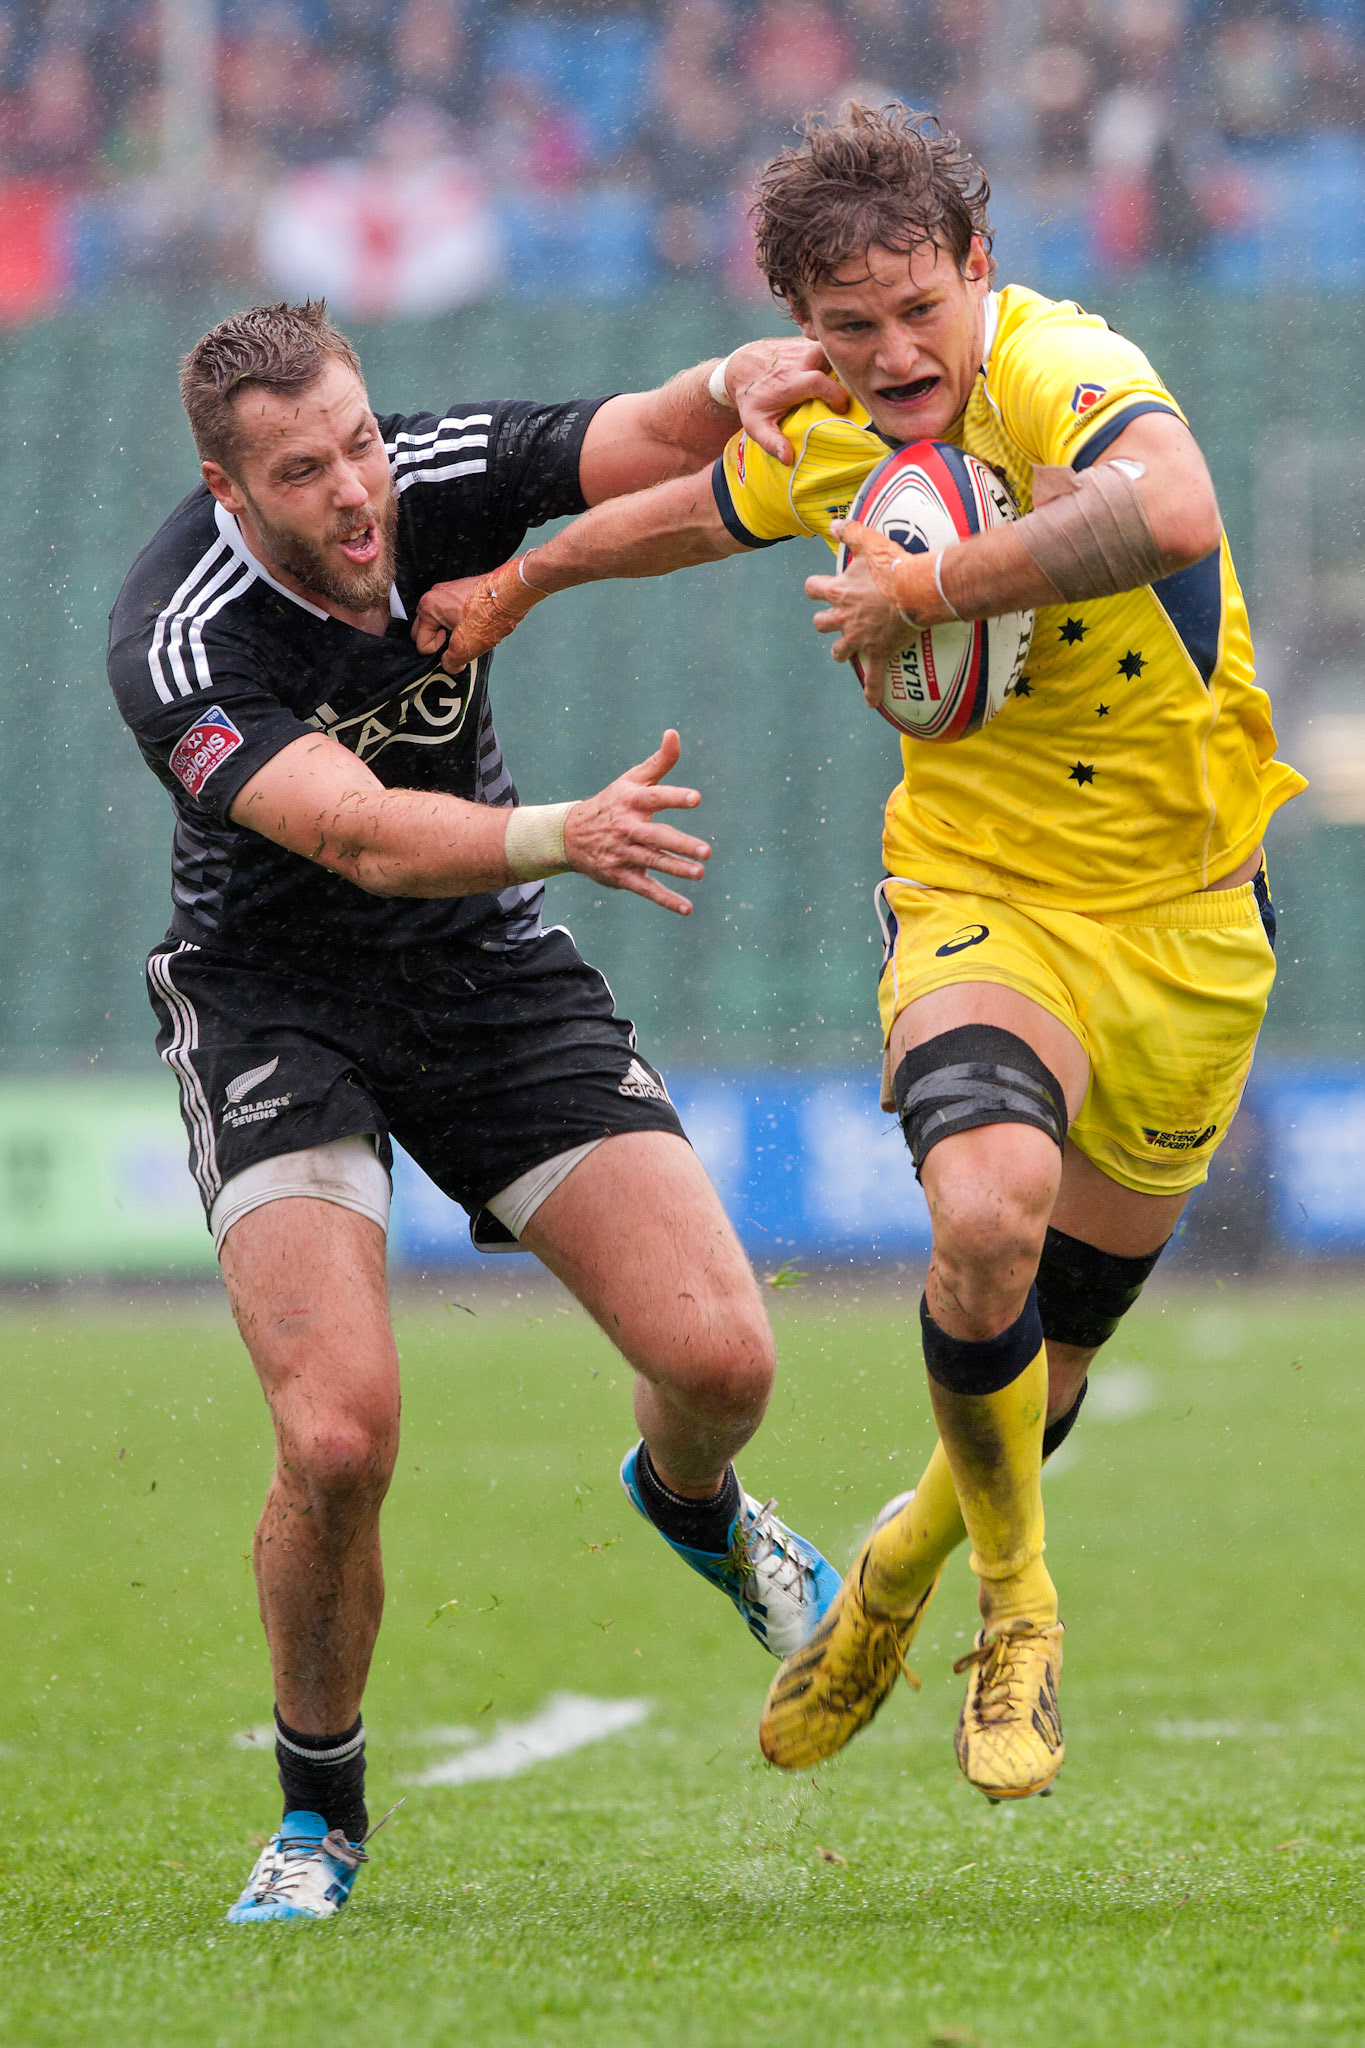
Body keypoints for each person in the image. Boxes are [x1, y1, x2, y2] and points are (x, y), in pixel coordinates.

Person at [411, 104, 1304, 1805]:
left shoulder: (1062, 366)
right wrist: (526, 576)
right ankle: (1016, 1608)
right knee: (982, 1220)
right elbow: (701, 505)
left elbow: (1172, 503)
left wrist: (941, 584)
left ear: (979, 268)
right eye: (847, 329)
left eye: (918, 309)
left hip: (1190, 920)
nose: (891, 355)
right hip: (981, 890)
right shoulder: (837, 422)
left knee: (1049, 1366)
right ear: (802, 329)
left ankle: (895, 1567)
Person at [106, 300, 851, 1921]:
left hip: (478, 974)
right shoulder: (181, 638)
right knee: (336, 1436)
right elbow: (363, 833)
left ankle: (691, 1507)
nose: (359, 494)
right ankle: (320, 1819)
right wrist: (563, 832)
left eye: (361, 443)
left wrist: (740, 380)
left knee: (722, 1361)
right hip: (277, 999)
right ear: (233, 496)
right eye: (304, 474)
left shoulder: (426, 472)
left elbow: (647, 434)